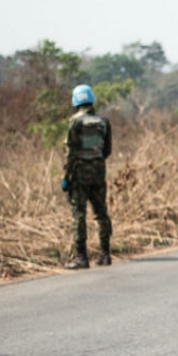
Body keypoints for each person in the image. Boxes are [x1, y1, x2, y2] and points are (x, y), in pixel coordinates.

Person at [61, 84, 112, 269]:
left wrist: (66, 176)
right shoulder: (103, 121)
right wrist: (95, 162)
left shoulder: (75, 122)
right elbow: (107, 150)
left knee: (79, 214)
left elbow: (70, 152)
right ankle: (105, 254)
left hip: (79, 173)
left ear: (76, 101)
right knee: (101, 213)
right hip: (99, 171)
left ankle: (81, 257)